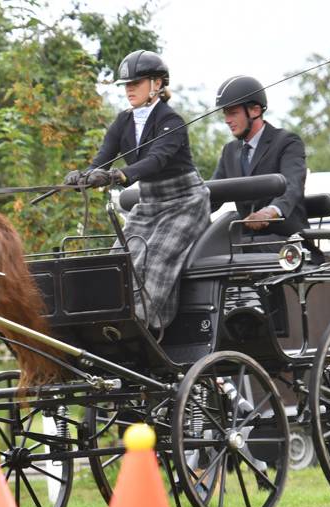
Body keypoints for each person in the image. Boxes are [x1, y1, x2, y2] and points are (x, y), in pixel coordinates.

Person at [64, 50, 210, 330]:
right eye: (126, 85)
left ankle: (144, 324)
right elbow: (102, 159)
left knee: (154, 257)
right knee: (119, 260)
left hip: (185, 203)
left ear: (157, 84)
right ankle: (107, 318)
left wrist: (120, 174)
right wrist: (84, 176)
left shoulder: (172, 121)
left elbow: (156, 160)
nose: (129, 89)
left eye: (136, 83)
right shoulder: (123, 121)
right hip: (149, 203)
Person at [211, 75, 310, 242]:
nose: (227, 120)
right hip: (244, 243)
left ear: (255, 111)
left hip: (286, 241)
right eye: (225, 114)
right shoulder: (230, 151)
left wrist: (270, 211)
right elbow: (214, 194)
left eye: (233, 113)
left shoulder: (287, 142)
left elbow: (292, 185)